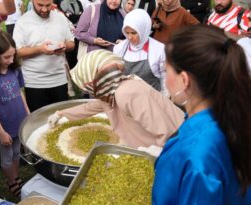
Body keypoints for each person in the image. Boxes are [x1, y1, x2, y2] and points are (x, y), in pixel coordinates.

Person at [85, 24, 251, 205]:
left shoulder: (199, 151)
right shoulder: (230, 115)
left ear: (184, 80)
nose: (165, 76)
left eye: (166, 70)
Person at [48, 49, 184, 149]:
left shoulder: (127, 92)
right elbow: (89, 108)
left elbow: (165, 130)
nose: (85, 89)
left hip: (178, 145)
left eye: (85, 84)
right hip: (154, 144)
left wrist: (160, 155)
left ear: (96, 80)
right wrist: (60, 114)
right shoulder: (111, 91)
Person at [0, 31, 29, 196]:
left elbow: (20, 92)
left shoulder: (15, 70)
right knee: (7, 157)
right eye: (6, 57)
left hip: (20, 121)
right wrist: (1, 132)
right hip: (5, 128)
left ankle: (15, 177)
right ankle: (11, 181)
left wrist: (28, 113)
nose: (10, 60)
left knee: (16, 153)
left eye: (12, 56)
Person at [13, 0, 75, 112]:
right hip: (34, 82)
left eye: (48, 5)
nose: (45, 9)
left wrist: (65, 46)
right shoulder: (23, 22)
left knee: (60, 119)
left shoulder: (60, 18)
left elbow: (71, 43)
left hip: (59, 79)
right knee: (39, 121)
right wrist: (39, 49)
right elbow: (18, 51)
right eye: (40, 5)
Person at [113, 9, 167, 94]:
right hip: (126, 101)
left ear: (144, 30)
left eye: (134, 33)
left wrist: (165, 101)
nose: (130, 37)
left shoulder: (159, 50)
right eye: (127, 33)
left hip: (152, 102)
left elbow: (165, 79)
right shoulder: (119, 49)